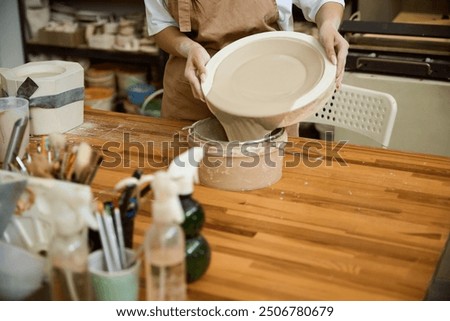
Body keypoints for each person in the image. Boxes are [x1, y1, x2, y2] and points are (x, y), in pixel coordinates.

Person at [144, 0, 349, 126]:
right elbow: (161, 25)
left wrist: (328, 24)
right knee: (185, 181)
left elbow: (324, 1)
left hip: (271, 92)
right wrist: (188, 48)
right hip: (195, 83)